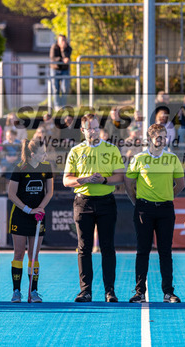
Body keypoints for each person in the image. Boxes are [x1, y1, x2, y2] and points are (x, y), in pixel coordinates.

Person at [63, 114, 125, 303]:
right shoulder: (75, 151)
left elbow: (120, 177)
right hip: (83, 203)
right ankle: (85, 291)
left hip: (106, 202)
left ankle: (110, 292)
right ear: (83, 130)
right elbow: (66, 180)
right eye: (90, 128)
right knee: (84, 248)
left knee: (108, 247)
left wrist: (103, 180)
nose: (94, 131)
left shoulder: (111, 149)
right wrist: (84, 180)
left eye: (96, 128)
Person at [125, 124, 185, 303]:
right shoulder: (139, 158)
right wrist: (137, 202)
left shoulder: (172, 158)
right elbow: (128, 183)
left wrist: (166, 196)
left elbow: (181, 184)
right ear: (150, 138)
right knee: (142, 251)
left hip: (165, 210)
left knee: (165, 252)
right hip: (144, 209)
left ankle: (168, 292)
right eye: (158, 137)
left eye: (164, 136)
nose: (162, 140)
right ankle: (139, 292)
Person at [8, 139, 53, 303]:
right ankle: (16, 291)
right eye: (42, 153)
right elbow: (11, 194)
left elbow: (49, 192)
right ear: (33, 154)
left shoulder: (46, 167)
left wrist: (40, 208)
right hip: (20, 216)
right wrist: (28, 209)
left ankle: (33, 291)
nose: (45, 155)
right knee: (19, 253)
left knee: (34, 255)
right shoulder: (20, 168)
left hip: (38, 217)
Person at [49, 34, 72, 109]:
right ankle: (57, 106)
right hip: (55, 70)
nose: (63, 42)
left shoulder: (68, 48)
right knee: (55, 88)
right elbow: (53, 58)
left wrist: (63, 50)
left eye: (64, 40)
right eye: (61, 40)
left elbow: (67, 58)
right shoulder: (54, 47)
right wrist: (61, 60)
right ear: (58, 41)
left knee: (65, 88)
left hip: (65, 70)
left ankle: (63, 105)